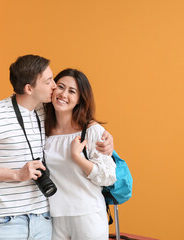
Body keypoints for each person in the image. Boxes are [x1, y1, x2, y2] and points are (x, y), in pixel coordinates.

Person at [0, 55, 114, 240]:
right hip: (8, 221)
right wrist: (15, 175)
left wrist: (104, 137)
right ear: (29, 88)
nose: (55, 87)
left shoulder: (44, 113)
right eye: (50, 81)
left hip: (45, 219)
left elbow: (76, 122)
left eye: (54, 81)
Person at [44, 68, 117, 240]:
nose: (63, 94)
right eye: (60, 87)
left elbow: (108, 176)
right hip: (54, 217)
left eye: (72, 91)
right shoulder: (43, 130)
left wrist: (77, 158)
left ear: (79, 99)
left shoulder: (91, 131)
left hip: (87, 216)